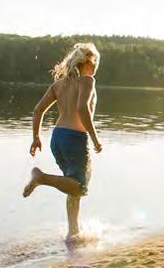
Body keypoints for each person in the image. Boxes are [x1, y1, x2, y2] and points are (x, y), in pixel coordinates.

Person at [22, 43, 103, 241]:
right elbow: (82, 109)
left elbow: (38, 110)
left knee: (72, 185)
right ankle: (41, 177)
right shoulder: (87, 81)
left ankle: (73, 232)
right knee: (80, 187)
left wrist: (36, 137)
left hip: (57, 138)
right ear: (86, 63)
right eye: (95, 63)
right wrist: (95, 138)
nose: (95, 69)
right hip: (75, 139)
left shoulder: (58, 85)